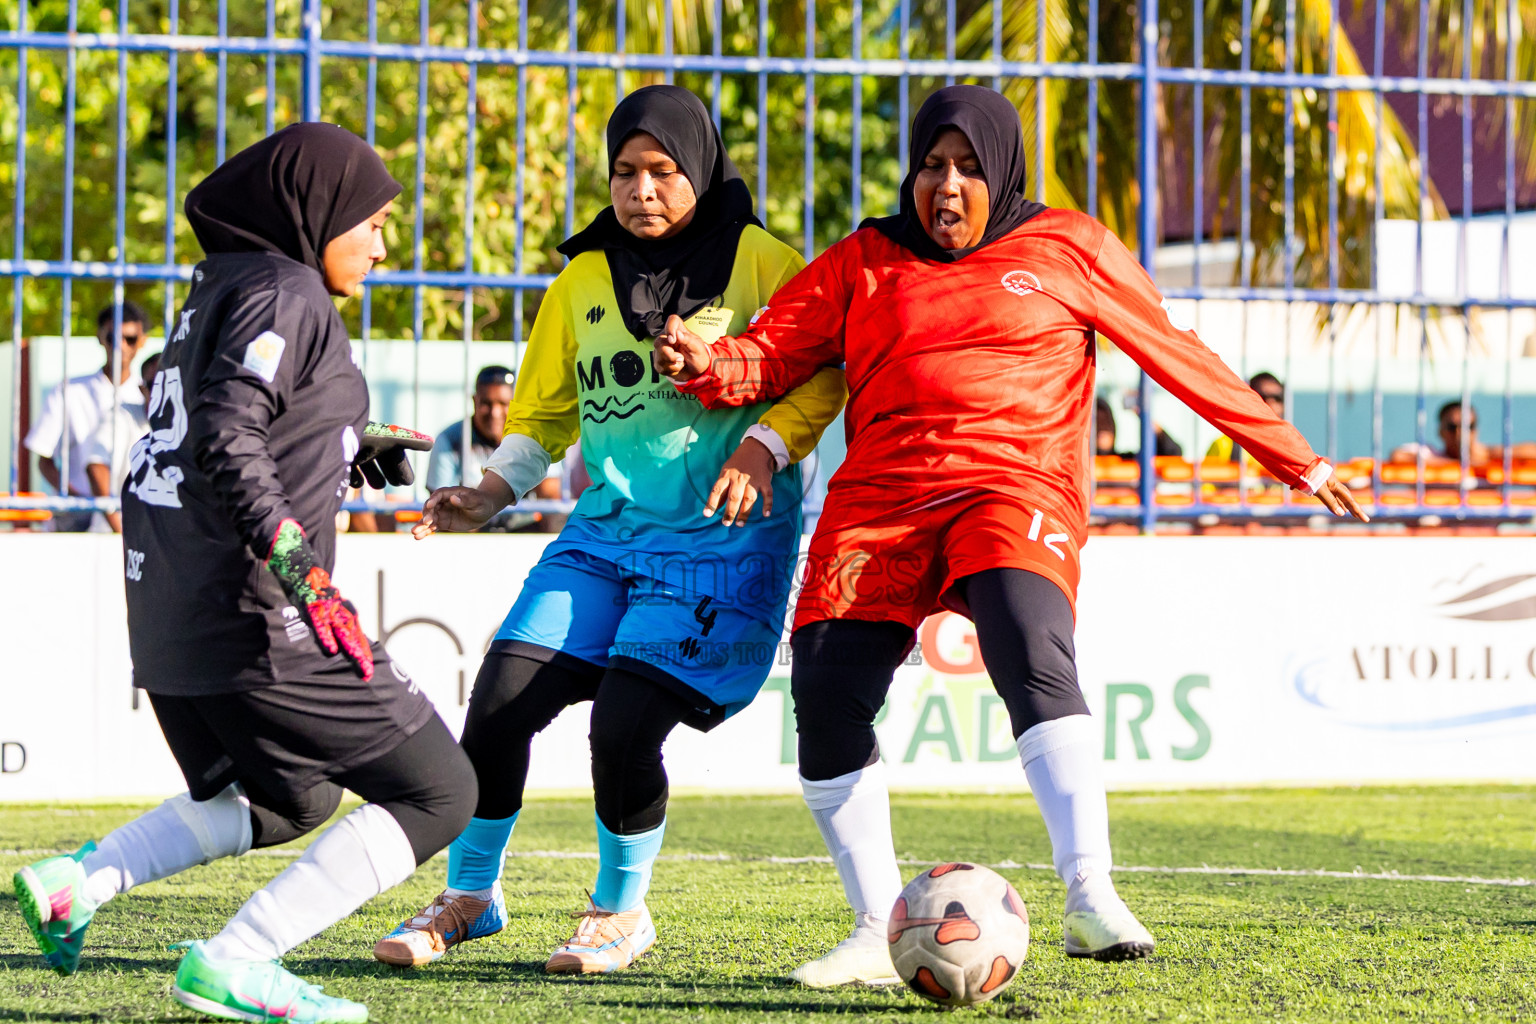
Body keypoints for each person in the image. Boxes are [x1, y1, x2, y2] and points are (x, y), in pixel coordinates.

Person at [654, 85, 1368, 987]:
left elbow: (1174, 351)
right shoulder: (864, 258)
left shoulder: (1071, 247)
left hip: (1013, 484)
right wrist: (706, 362)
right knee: (827, 692)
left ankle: (1091, 894)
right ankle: (875, 929)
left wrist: (1297, 459)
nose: (946, 185)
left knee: (1028, 640)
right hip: (882, 500)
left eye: (967, 167)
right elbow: (772, 350)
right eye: (931, 165)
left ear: (1002, 171)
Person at [371, 85, 846, 976]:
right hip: (604, 538)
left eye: (663, 170)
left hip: (717, 547)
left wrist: (765, 447)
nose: (642, 190)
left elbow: (825, 371)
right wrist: (490, 492)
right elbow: (544, 414)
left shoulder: (767, 264)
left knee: (624, 725)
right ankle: (471, 895)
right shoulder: (582, 278)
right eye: (625, 171)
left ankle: (620, 913)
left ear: (699, 168)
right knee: (500, 701)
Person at [11, 123, 472, 1024]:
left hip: (175, 612)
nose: (383, 246)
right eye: (374, 222)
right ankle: (237, 958)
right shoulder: (287, 290)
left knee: (292, 799)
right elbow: (228, 433)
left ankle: (79, 883)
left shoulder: (221, 285)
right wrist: (305, 573)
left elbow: (215, 426)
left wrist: (344, 440)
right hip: (262, 617)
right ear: (320, 210)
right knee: (442, 790)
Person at [24, 301, 150, 532]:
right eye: (112, 337)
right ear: (99, 337)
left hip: (132, 514)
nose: (121, 346)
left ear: (142, 341)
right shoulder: (70, 390)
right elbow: (44, 459)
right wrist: (81, 501)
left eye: (130, 338)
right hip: (77, 516)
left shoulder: (147, 394)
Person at [424, 363, 564, 530]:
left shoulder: (534, 436)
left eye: (503, 403)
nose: (495, 412)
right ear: (474, 401)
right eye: (486, 403)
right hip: (470, 533)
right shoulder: (449, 440)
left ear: (516, 404)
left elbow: (551, 496)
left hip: (524, 530)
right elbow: (441, 505)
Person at [1391, 399, 1536, 466]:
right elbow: (1398, 456)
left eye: (1468, 426)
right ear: (1440, 431)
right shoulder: (1430, 453)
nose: (1460, 432)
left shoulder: (1487, 456)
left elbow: (1532, 451)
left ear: (1476, 431)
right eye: (1452, 427)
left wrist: (1490, 453)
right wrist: (1459, 465)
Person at [1206, 372, 1286, 464]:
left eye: (1277, 398)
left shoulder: (1291, 448)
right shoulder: (1223, 446)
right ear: (1247, 401)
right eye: (1261, 397)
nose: (1270, 403)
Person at [1093, 395, 1182, 461]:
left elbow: (1173, 453)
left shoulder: (1126, 461)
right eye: (1096, 422)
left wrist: (1143, 414)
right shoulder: (1085, 465)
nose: (1101, 429)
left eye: (1105, 422)